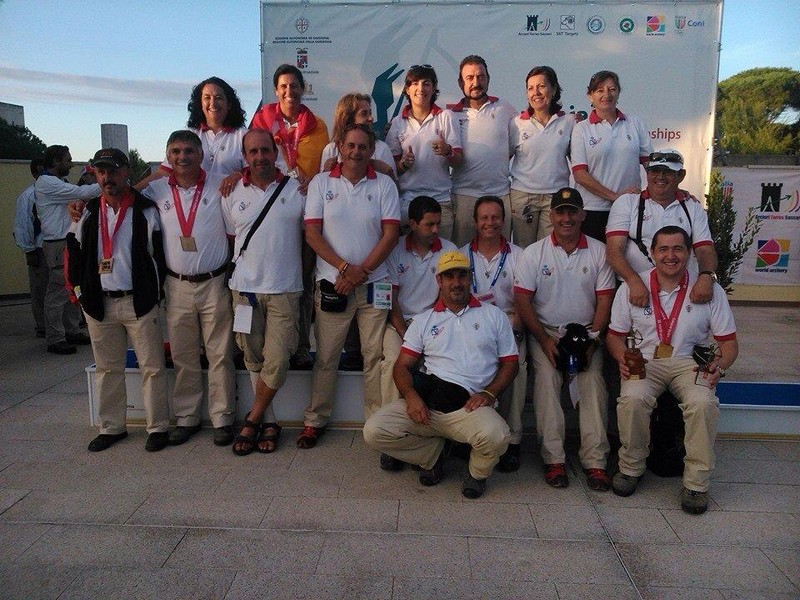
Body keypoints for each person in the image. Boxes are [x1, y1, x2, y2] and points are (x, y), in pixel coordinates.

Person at [363, 250, 518, 499]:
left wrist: (489, 394)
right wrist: (411, 396)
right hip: (428, 406)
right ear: (439, 281)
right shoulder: (423, 320)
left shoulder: (494, 315)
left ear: (470, 278)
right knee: (374, 431)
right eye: (449, 276)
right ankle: (432, 455)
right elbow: (401, 366)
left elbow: (511, 363)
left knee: (498, 436)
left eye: (462, 275)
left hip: (469, 408)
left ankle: (476, 474)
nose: (456, 282)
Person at [606, 226, 738, 514]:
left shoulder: (709, 290)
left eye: (678, 248)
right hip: (646, 361)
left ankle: (697, 484)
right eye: (663, 249)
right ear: (652, 253)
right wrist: (622, 358)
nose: (671, 255)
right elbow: (614, 336)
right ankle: (630, 468)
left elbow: (729, 345)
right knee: (632, 398)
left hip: (689, 362)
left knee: (703, 402)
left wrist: (718, 366)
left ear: (689, 253)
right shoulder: (632, 286)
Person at [299, 123, 400, 448]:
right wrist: (345, 269)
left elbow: (391, 235)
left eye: (362, 147)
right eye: (351, 146)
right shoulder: (320, 183)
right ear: (340, 147)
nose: (356, 152)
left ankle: (376, 424)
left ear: (371, 150)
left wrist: (362, 271)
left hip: (375, 285)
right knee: (327, 357)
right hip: (334, 284)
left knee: (373, 357)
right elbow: (312, 234)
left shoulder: (384, 185)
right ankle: (315, 420)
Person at [65, 148, 170, 452]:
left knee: (152, 367)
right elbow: (74, 254)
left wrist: (155, 293)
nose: (107, 178)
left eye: (112, 171)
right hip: (99, 303)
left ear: (127, 172)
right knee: (107, 368)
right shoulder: (86, 212)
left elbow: (159, 256)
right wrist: (79, 293)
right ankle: (111, 427)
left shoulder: (146, 209)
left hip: (139, 302)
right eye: (101, 172)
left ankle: (157, 427)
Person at [514, 188, 616, 489]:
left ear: (583, 214)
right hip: (546, 332)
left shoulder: (599, 251)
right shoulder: (534, 253)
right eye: (560, 212)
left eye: (572, 212)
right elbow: (522, 301)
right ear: (552, 215)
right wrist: (544, 340)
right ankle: (554, 459)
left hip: (587, 332)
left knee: (593, 382)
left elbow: (605, 301)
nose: (566, 218)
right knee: (546, 381)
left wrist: (593, 341)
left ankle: (595, 462)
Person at [141, 130, 235, 447]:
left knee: (220, 353)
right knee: (183, 355)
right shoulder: (156, 189)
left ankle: (222, 418)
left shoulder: (221, 184)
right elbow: (124, 196)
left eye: (189, 151)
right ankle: (187, 417)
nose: (183, 157)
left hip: (214, 282)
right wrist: (78, 205)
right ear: (168, 157)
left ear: (201, 155)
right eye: (176, 152)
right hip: (176, 284)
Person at [222, 128, 305, 455]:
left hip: (285, 289)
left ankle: (252, 418)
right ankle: (269, 421)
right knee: (253, 356)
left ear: (275, 152)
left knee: (279, 358)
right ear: (245, 156)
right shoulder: (231, 192)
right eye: (253, 152)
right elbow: (232, 237)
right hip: (244, 291)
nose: (260, 157)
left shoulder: (297, 190)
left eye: (265, 150)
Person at [250, 64, 330, 370]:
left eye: (294, 86)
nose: (289, 91)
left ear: (303, 88)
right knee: (270, 278)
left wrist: (314, 180)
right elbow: (252, 156)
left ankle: (301, 346)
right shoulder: (262, 120)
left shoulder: (318, 125)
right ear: (276, 90)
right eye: (283, 86)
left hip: (304, 209)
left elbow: (324, 168)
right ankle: (267, 345)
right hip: (270, 210)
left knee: (304, 280)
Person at [380, 195, 457, 452]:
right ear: (412, 224)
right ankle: (393, 434)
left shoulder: (449, 250)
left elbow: (447, 298)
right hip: (400, 324)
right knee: (393, 363)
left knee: (442, 366)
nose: (436, 230)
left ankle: (440, 434)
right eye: (429, 224)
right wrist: (407, 334)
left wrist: (426, 332)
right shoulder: (394, 250)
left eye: (438, 224)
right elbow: (392, 300)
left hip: (437, 323)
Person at [458, 196, 525, 472]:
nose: (490, 223)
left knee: (518, 366)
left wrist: (515, 332)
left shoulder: (519, 255)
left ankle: (513, 441)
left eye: (495, 217)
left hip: (509, 323)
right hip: (470, 324)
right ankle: (468, 436)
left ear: (504, 220)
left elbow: (524, 302)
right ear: (475, 222)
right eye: (484, 218)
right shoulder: (461, 255)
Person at [606, 149, 718, 307]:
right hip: (635, 290)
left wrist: (706, 276)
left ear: (681, 176)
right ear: (647, 174)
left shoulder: (692, 207)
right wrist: (633, 281)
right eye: (655, 171)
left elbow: (705, 250)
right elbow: (613, 251)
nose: (660, 176)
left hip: (681, 292)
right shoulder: (627, 203)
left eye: (668, 172)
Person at [571, 70, 653, 243]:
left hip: (630, 208)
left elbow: (651, 166)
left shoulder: (635, 123)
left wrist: (668, 191)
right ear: (590, 96)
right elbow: (580, 175)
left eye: (612, 89)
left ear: (619, 92)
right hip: (593, 210)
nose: (606, 95)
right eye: (600, 90)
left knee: (627, 257)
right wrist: (614, 196)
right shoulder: (581, 128)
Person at [35, 145, 100, 354]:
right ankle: (56, 338)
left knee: (72, 286)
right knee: (56, 292)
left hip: (66, 241)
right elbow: (82, 192)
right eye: (68, 160)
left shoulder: (57, 182)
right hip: (56, 244)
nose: (71, 164)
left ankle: (71, 331)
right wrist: (107, 181)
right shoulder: (48, 183)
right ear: (55, 161)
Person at [385, 64, 462, 237]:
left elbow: (458, 161)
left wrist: (447, 151)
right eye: (415, 83)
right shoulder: (397, 123)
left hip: (440, 201)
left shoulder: (446, 117)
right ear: (407, 89)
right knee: (407, 254)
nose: (421, 89)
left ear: (433, 88)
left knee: (442, 254)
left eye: (426, 83)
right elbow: (390, 170)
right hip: (408, 203)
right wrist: (403, 165)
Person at [448, 56, 516, 246]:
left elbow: (521, 140)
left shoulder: (505, 108)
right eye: (469, 78)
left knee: (502, 254)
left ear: (488, 79)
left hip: (499, 194)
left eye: (481, 76)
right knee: (463, 255)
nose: (476, 82)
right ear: (460, 82)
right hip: (464, 196)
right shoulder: (451, 115)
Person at [136, 76, 249, 189]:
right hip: (195, 200)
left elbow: (254, 172)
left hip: (232, 199)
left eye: (219, 98)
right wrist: (134, 191)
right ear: (200, 104)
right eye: (207, 98)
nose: (213, 103)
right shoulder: (188, 135)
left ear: (229, 104)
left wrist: (240, 175)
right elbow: (164, 172)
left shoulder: (243, 136)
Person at [509, 66, 575, 248]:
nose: (536, 93)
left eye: (541, 86)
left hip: (555, 197)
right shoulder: (516, 123)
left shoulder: (569, 122)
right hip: (523, 197)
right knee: (523, 250)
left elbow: (578, 161)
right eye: (530, 88)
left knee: (550, 251)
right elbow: (503, 158)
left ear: (553, 89)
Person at [320, 92, 396, 176]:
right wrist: (326, 171)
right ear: (347, 118)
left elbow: (393, 183)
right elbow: (323, 182)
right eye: (364, 114)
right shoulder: (331, 150)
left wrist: (386, 171)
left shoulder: (382, 149)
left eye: (370, 113)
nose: (371, 118)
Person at [13, 157, 47, 338]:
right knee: (39, 289)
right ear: (34, 174)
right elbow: (22, 225)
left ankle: (62, 326)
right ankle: (42, 325)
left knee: (57, 291)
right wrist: (29, 250)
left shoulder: (56, 190)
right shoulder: (28, 196)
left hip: (55, 247)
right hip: (38, 248)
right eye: (40, 172)